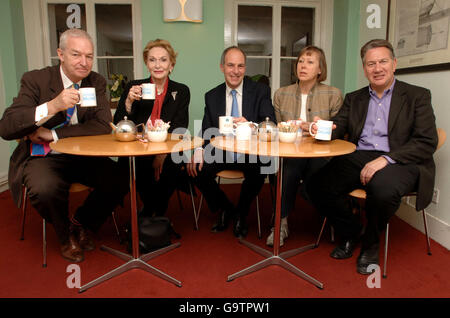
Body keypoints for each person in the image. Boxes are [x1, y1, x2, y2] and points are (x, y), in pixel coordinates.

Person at [307, 39, 438, 275]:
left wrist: (386, 159)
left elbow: (426, 142)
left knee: (383, 189)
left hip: (402, 159)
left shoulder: (417, 96)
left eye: (382, 62)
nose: (377, 69)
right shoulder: (354, 97)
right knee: (315, 185)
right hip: (360, 155)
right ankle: (351, 230)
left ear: (394, 64)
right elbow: (339, 125)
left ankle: (371, 243)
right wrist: (323, 128)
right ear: (364, 68)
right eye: (370, 64)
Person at [0, 28, 129, 263]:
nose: (84, 62)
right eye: (76, 55)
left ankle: (81, 223)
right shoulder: (36, 79)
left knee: (121, 178)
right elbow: (7, 127)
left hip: (83, 155)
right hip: (44, 157)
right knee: (45, 188)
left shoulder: (96, 81)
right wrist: (52, 106)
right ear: (60, 54)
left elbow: (102, 124)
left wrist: (53, 133)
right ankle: (64, 235)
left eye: (89, 56)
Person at [187, 46, 276, 238]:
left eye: (240, 66)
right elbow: (206, 129)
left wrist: (252, 125)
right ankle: (227, 209)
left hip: (250, 151)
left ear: (245, 68)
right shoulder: (212, 96)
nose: (236, 71)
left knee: (262, 167)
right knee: (196, 168)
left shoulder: (260, 91)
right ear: (222, 67)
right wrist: (200, 149)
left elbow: (270, 122)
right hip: (222, 150)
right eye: (230, 65)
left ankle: (241, 213)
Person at [266, 45, 343, 247]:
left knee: (315, 179)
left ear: (320, 69)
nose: (303, 66)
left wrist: (315, 128)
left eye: (310, 62)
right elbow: (278, 128)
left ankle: (330, 214)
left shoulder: (333, 94)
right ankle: (280, 223)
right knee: (288, 170)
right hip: (291, 152)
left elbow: (339, 131)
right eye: (301, 61)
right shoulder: (281, 94)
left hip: (321, 154)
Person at [114, 39, 190, 217]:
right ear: (146, 63)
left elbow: (179, 127)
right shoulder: (135, 87)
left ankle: (151, 214)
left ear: (171, 64)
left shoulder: (181, 91)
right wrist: (129, 101)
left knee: (175, 160)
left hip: (167, 148)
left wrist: (161, 154)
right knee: (136, 163)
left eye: (163, 60)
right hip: (139, 147)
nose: (158, 65)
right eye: (152, 60)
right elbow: (120, 125)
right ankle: (154, 217)